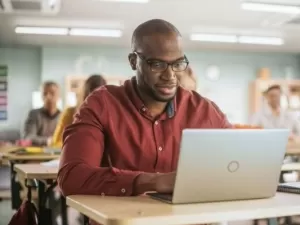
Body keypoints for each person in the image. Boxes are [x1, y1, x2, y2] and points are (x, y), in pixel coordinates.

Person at [58, 19, 232, 221]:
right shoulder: (101, 104)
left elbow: (239, 164)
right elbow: (72, 177)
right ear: (133, 61)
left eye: (177, 64)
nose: (170, 75)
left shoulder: (205, 111)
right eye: (157, 64)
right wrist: (153, 181)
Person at [51, 74, 107, 148]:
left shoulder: (109, 117)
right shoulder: (70, 112)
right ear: (85, 95)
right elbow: (56, 142)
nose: (94, 101)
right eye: (91, 94)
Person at [24, 81, 60, 146]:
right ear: (41, 96)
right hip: (37, 154)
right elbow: (28, 137)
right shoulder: (33, 114)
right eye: (45, 93)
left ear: (58, 96)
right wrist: (48, 141)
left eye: (52, 93)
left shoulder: (63, 116)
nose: (48, 97)